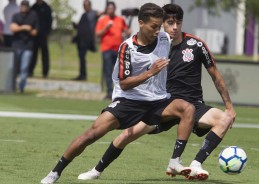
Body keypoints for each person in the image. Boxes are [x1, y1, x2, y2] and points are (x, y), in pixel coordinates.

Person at [76, 3, 236, 182]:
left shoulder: (195, 44)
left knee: (225, 118)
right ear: (161, 23)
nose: (174, 27)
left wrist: (229, 107)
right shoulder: (156, 44)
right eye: (169, 23)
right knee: (126, 135)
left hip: (193, 105)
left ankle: (196, 164)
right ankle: (96, 170)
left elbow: (216, 76)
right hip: (162, 104)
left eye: (178, 22)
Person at [40, 3, 195, 184]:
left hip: (159, 101)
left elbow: (181, 35)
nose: (157, 30)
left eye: (159, 26)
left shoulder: (164, 38)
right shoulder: (127, 48)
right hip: (130, 101)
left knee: (188, 108)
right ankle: (55, 172)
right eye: (153, 26)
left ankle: (175, 162)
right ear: (141, 23)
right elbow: (125, 84)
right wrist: (150, 73)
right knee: (91, 135)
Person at [96, 1, 131, 99]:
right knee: (107, 71)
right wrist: (106, 28)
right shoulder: (102, 20)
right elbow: (97, 34)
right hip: (106, 49)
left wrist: (129, 32)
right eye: (109, 8)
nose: (110, 10)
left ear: (115, 9)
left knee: (118, 72)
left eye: (112, 8)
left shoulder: (120, 19)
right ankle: (109, 92)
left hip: (118, 50)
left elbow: (126, 32)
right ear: (107, 10)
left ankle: (118, 92)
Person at [10, 0, 39, 93]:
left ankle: (21, 88)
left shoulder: (33, 16)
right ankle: (11, 86)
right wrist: (24, 27)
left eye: (25, 6)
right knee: (14, 67)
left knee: (24, 68)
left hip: (28, 46)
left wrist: (29, 30)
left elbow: (35, 32)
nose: (24, 8)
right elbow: (12, 28)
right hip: (17, 45)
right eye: (22, 6)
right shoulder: (16, 16)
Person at [72, 0, 101, 81]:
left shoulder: (93, 13)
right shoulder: (83, 15)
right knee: (81, 57)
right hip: (80, 40)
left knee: (82, 57)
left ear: (90, 5)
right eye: (83, 5)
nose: (84, 7)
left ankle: (83, 75)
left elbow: (100, 13)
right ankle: (82, 74)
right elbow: (80, 26)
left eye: (86, 5)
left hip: (87, 40)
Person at [29, 0, 52, 78]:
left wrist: (47, 33)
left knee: (44, 54)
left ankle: (45, 73)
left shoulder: (47, 8)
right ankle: (30, 71)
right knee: (33, 54)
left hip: (43, 35)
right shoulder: (33, 7)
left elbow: (50, 21)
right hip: (34, 35)